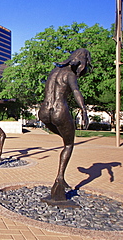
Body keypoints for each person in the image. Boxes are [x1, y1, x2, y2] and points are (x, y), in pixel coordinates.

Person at [38, 48, 91, 201]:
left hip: (44, 111)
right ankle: (60, 178)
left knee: (65, 139)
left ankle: (60, 180)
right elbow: (75, 91)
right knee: (69, 144)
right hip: (59, 111)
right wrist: (84, 110)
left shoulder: (55, 71)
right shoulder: (70, 75)